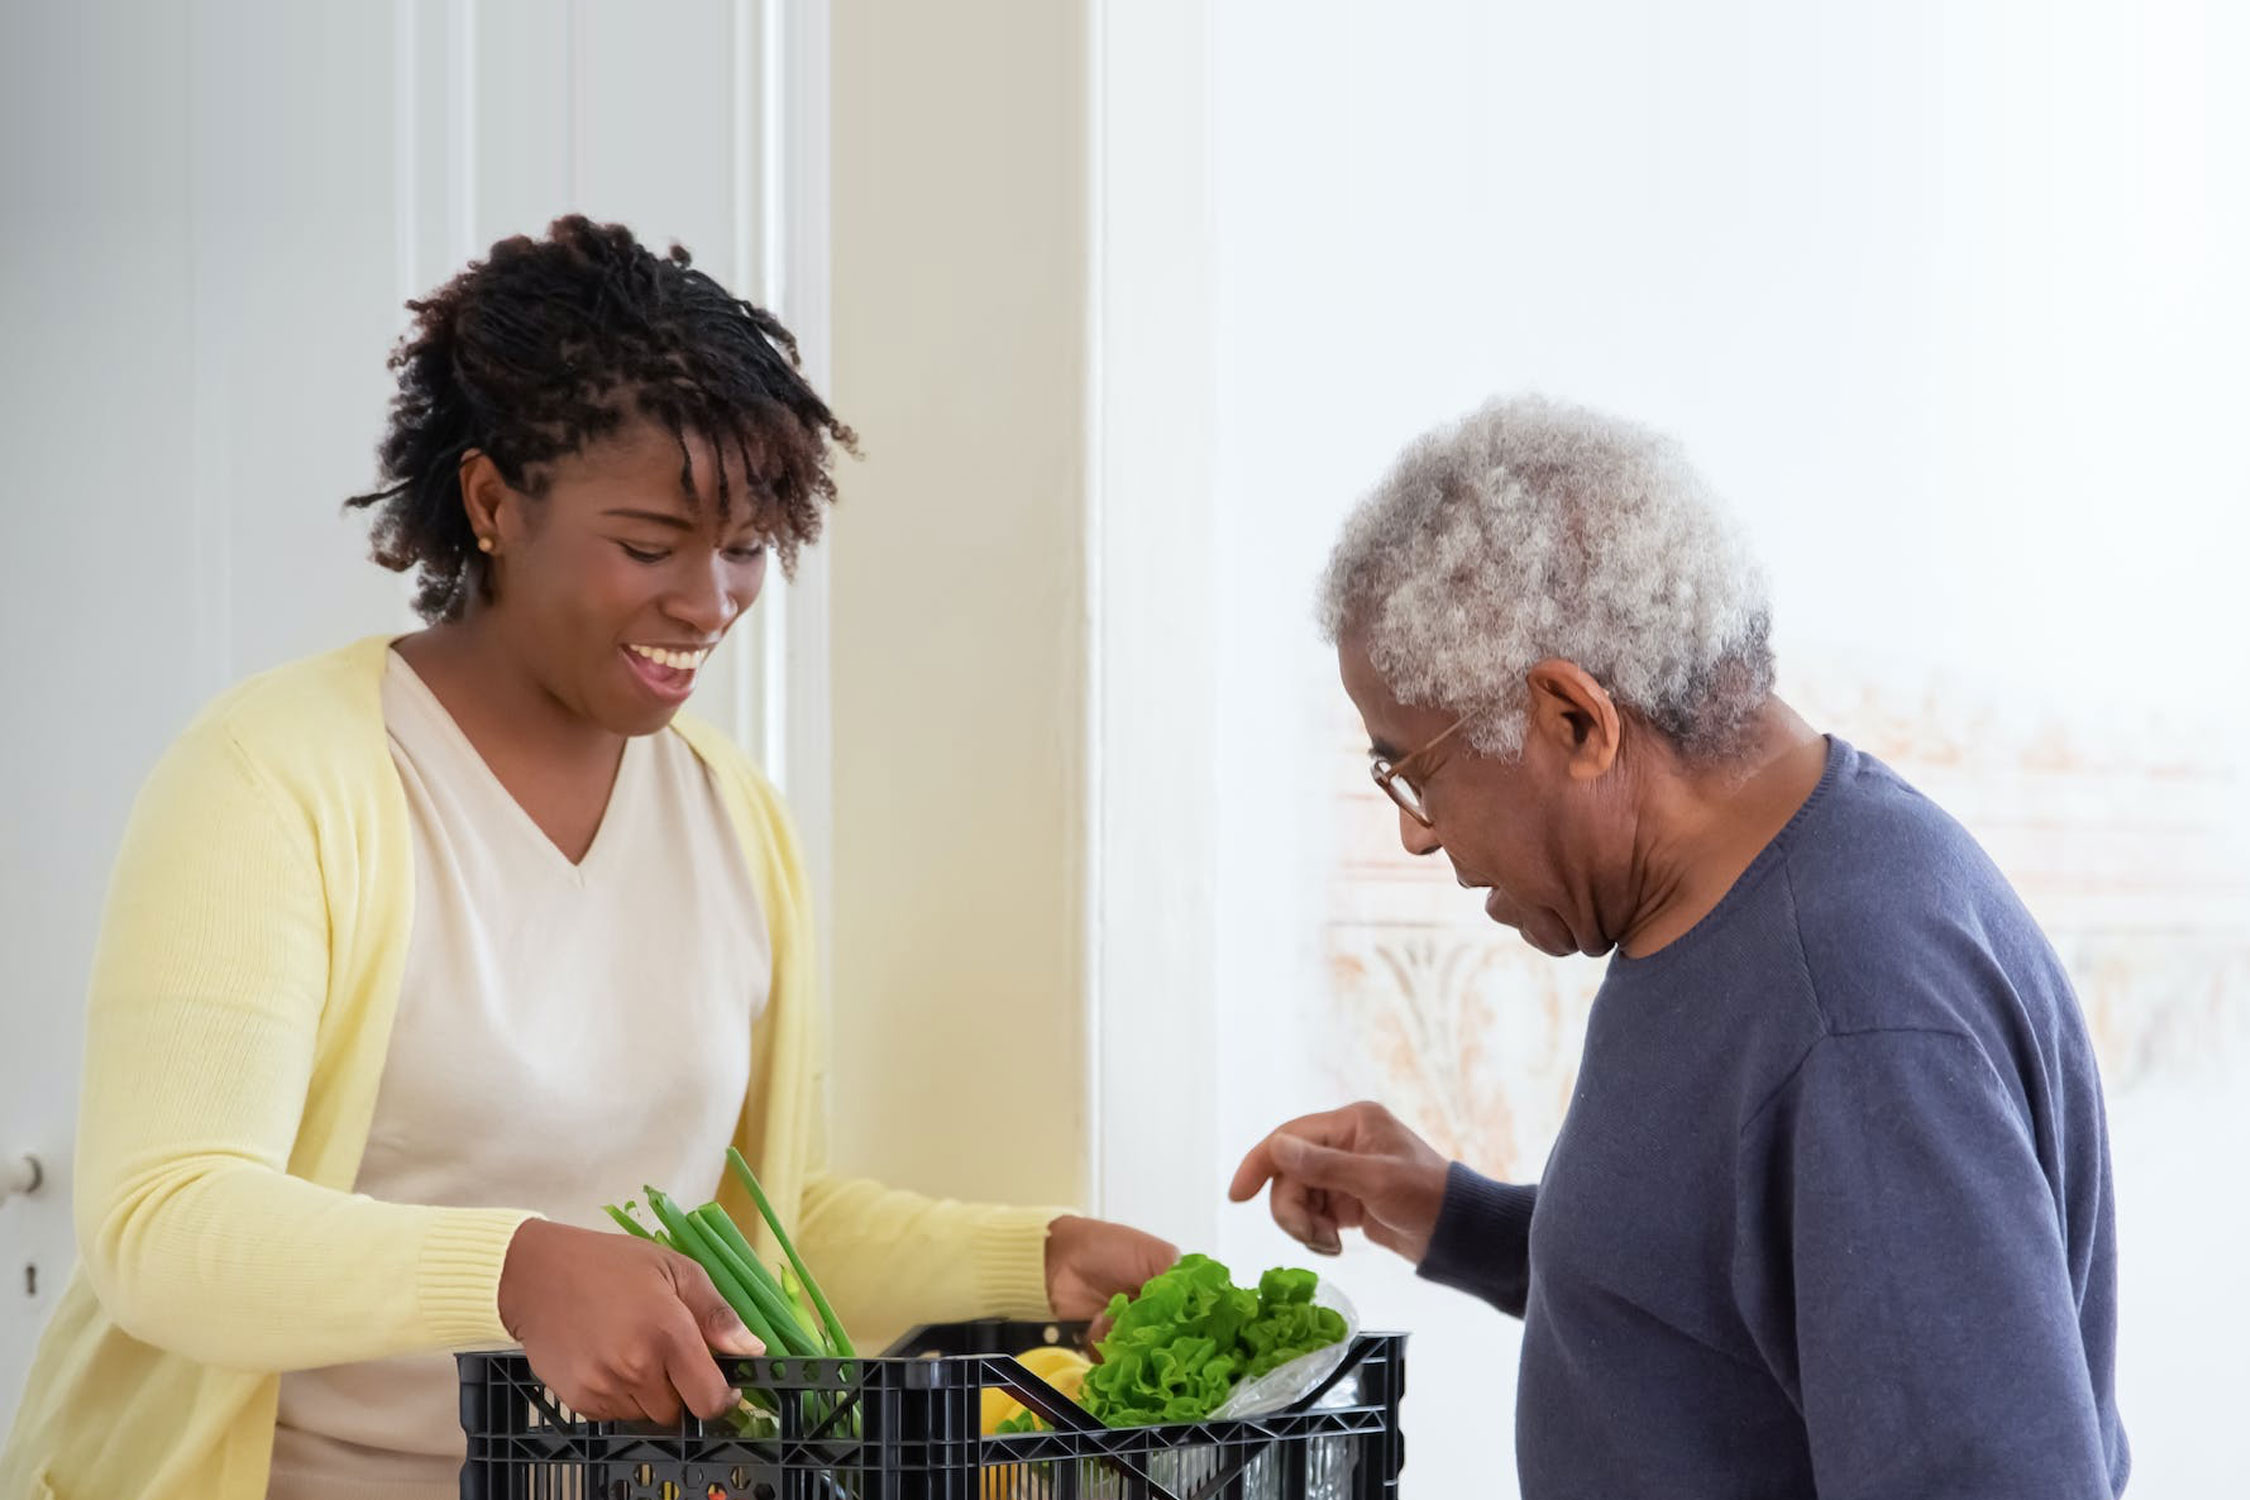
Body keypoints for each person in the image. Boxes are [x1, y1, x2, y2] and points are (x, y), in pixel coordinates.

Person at [0, 217, 1174, 1500]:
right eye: (650, 546)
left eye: (742, 550)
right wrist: (515, 1270)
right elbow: (165, 1226)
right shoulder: (274, 780)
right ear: (494, 503)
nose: (709, 603)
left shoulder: (735, 820)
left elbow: (764, 1234)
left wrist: (1038, 1259)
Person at [1231, 396, 2128, 1499]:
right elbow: (1728, 1297)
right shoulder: (1726, 908)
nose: (1416, 830)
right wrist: (1457, 1217)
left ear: (1574, 719)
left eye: (1415, 770)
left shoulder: (1850, 1010)